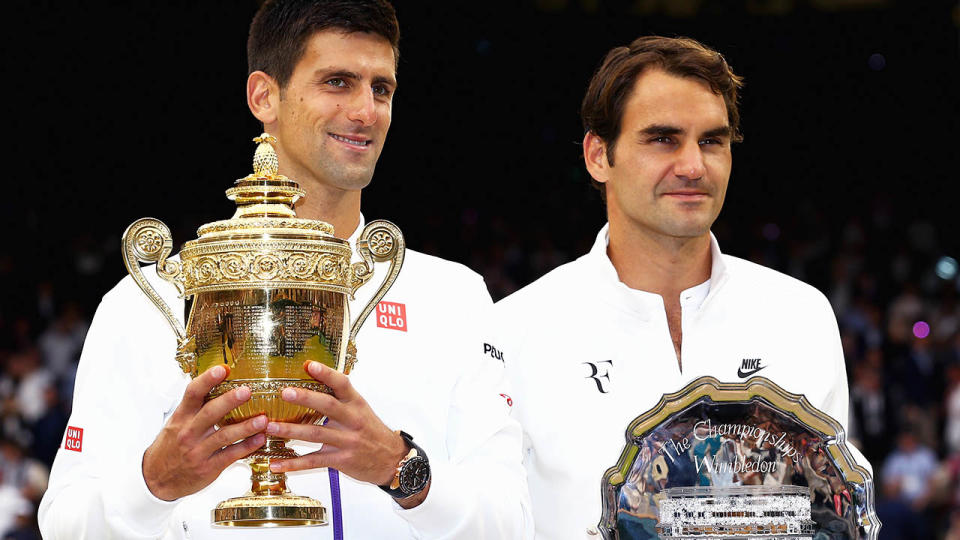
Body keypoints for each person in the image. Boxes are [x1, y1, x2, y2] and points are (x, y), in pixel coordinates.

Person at [39, 1, 531, 538]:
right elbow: (63, 524)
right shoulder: (149, 297)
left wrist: (400, 467)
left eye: (381, 88)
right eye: (338, 82)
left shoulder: (451, 297)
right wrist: (153, 482)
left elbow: (512, 522)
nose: (367, 110)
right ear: (264, 96)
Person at [489, 36, 857, 538]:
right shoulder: (515, 330)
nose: (693, 166)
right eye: (663, 139)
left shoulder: (801, 315)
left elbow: (830, 509)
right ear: (599, 156)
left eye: (712, 141)